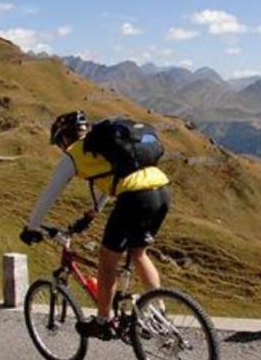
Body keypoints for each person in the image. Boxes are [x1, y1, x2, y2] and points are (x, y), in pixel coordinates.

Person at [20, 111, 171, 340]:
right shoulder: (102, 149)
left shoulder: (74, 154)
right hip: (161, 192)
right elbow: (108, 183)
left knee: (107, 259)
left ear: (63, 139)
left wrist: (32, 226)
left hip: (135, 197)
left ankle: (102, 322)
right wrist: (92, 214)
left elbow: (50, 193)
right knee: (139, 253)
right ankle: (159, 313)